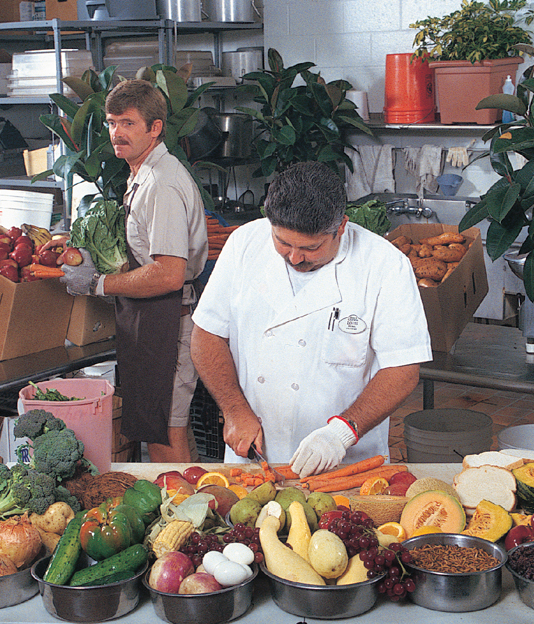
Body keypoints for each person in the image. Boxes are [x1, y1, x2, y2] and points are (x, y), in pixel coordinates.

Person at [190, 161, 433, 477]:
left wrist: (341, 433)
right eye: (283, 243)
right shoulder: (244, 244)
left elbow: (402, 369)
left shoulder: (385, 266)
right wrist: (234, 410)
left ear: (341, 228)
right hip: (254, 458)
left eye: (310, 248)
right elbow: (207, 335)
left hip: (346, 464)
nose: (294, 258)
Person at [61, 79, 208, 463]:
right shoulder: (142, 173)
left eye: (127, 123)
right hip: (154, 321)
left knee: (161, 432)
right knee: (168, 427)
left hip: (169, 322)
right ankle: (194, 507)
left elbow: (168, 273)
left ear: (155, 128)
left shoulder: (161, 184)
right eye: (111, 123)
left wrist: (97, 284)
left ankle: (182, 517)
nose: (116, 133)